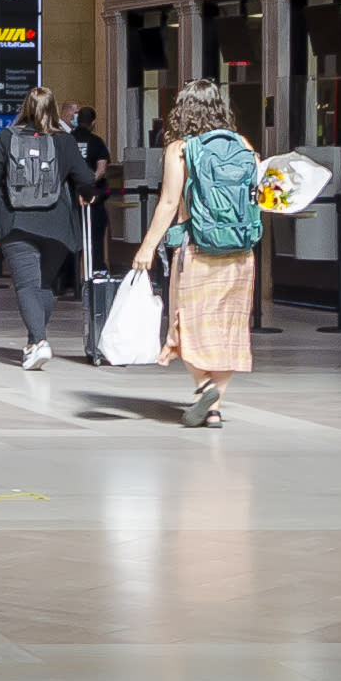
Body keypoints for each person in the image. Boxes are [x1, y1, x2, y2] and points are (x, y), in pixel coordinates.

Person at [127, 79, 265, 426]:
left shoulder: (180, 149)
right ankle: (215, 406)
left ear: (183, 110)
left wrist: (147, 246)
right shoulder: (244, 145)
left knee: (185, 324)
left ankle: (205, 388)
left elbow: (170, 202)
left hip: (197, 249)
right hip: (240, 252)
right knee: (229, 327)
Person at [0, 82, 100, 370]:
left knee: (26, 285)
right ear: (55, 110)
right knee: (44, 284)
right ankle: (34, 343)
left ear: (25, 107)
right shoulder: (65, 141)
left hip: (17, 223)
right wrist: (86, 195)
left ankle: (39, 340)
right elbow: (85, 178)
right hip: (57, 227)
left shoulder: (6, 137)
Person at [70, 103, 116, 279]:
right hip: (94, 197)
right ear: (93, 122)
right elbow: (102, 168)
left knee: (72, 237)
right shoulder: (97, 142)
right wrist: (90, 182)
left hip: (71, 196)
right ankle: (97, 272)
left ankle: (69, 278)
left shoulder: (67, 140)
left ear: (77, 121)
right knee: (95, 236)